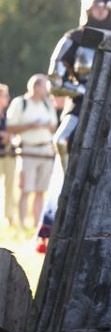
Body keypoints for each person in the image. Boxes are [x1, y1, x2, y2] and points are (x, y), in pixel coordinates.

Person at [36, 0, 111, 253]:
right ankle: (70, 190)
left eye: (105, 5)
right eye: (97, 5)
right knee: (62, 139)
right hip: (80, 104)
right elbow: (54, 82)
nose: (101, 10)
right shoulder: (73, 38)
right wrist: (85, 90)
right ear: (88, 7)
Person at [5, 75, 58, 229]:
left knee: (41, 191)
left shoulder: (48, 104)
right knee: (26, 189)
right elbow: (10, 127)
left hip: (45, 150)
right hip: (27, 150)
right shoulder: (20, 104)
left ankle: (37, 224)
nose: (47, 90)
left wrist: (46, 125)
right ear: (35, 87)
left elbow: (54, 127)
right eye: (44, 86)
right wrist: (30, 125)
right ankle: (22, 225)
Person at [0, 83, 15, 226]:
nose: (8, 98)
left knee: (9, 187)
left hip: (7, 154)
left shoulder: (6, 115)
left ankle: (8, 218)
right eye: (5, 95)